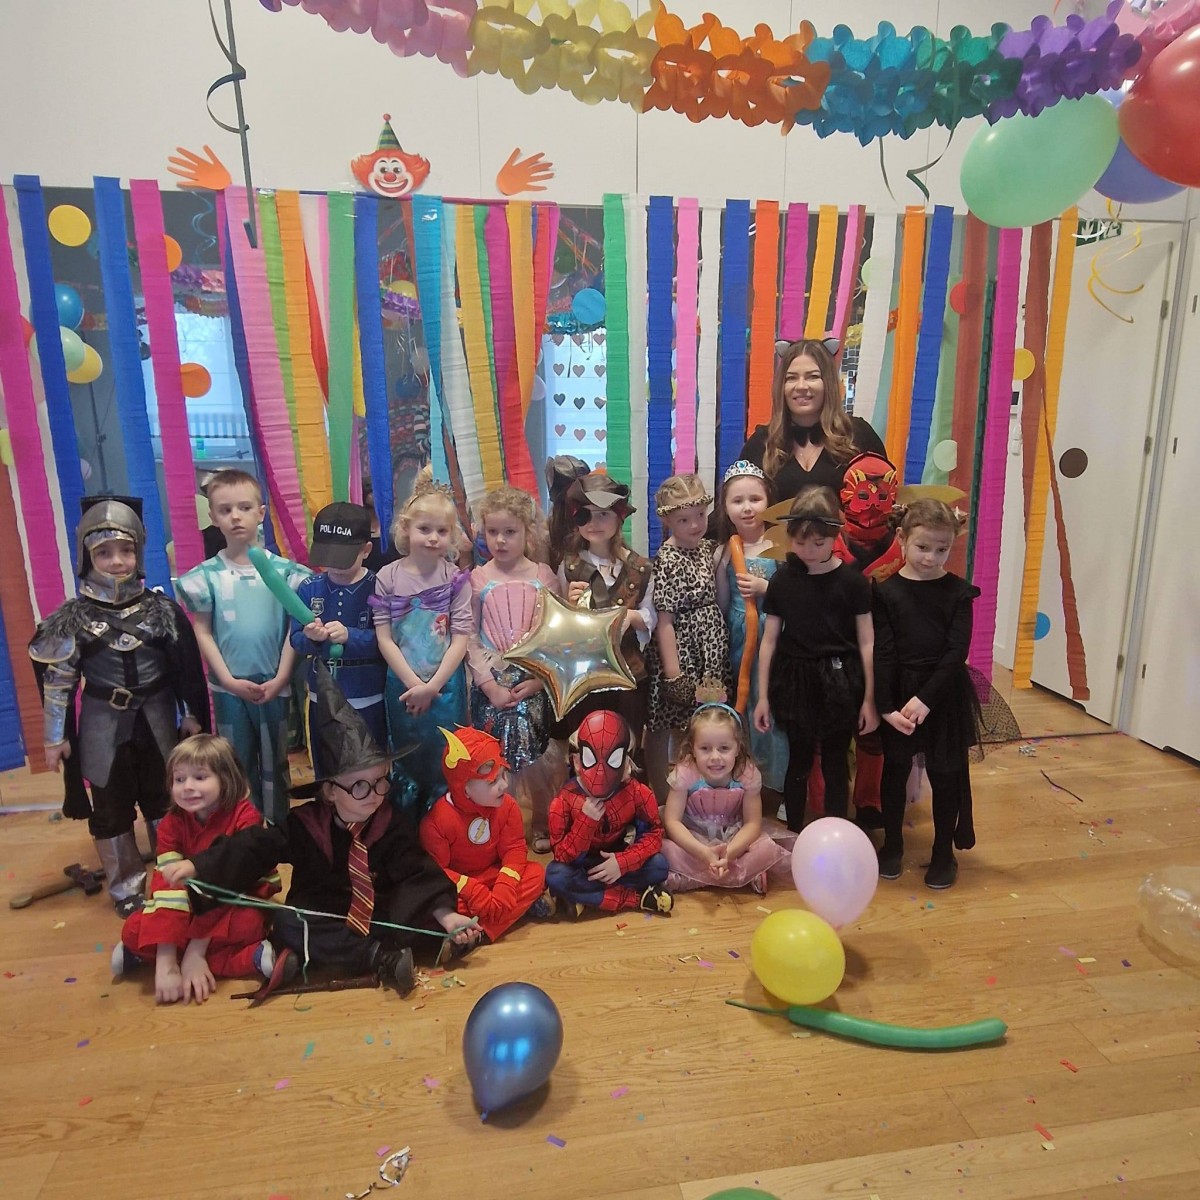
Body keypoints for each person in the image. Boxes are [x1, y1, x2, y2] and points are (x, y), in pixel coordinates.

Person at [162, 663, 479, 997]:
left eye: (380, 781)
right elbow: (256, 846)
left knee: (416, 914)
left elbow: (416, 873)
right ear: (329, 791)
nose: (374, 795)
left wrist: (445, 915)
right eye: (359, 786)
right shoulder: (304, 824)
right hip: (323, 915)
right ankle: (378, 957)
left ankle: (432, 940)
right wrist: (200, 866)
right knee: (289, 923)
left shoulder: (391, 821)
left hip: (378, 910)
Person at [29, 496, 210, 916]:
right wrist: (55, 737)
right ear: (86, 557)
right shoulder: (72, 620)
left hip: (158, 720)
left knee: (165, 798)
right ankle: (127, 887)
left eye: (126, 550)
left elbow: (184, 670)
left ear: (139, 552)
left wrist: (192, 713)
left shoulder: (162, 611)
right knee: (110, 806)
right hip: (102, 724)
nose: (116, 561)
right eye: (104, 553)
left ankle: (171, 876)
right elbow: (58, 682)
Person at [872, 500, 1020, 889]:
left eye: (942, 550)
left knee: (946, 774)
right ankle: (892, 845)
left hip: (943, 695)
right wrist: (885, 706)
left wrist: (926, 699)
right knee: (895, 770)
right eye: (923, 547)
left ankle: (942, 853)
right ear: (902, 538)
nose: (931, 557)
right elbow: (883, 651)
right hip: (899, 695)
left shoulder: (958, 592)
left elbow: (956, 652)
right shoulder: (886, 592)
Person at [176, 469, 311, 826]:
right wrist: (228, 680)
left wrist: (281, 678)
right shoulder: (205, 577)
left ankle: (278, 828)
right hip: (230, 688)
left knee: (276, 760)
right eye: (225, 510)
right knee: (235, 762)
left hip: (274, 683)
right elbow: (203, 631)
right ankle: (243, 828)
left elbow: (294, 629)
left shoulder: (288, 574)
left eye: (244, 507)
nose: (235, 516)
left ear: (261, 512)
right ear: (213, 516)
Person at [114, 734, 281, 1003]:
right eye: (179, 779)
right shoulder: (171, 824)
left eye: (200, 777)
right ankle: (241, 958)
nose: (187, 787)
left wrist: (196, 948)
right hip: (187, 904)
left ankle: (243, 958)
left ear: (226, 779)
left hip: (234, 900)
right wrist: (166, 960)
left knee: (248, 924)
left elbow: (235, 885)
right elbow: (167, 888)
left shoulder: (246, 817)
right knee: (133, 927)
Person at [754, 487, 879, 832]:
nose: (809, 551)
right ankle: (795, 833)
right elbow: (769, 640)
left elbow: (867, 641)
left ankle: (838, 832)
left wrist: (869, 699)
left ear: (835, 536)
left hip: (840, 679)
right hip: (795, 679)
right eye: (800, 543)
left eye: (819, 543)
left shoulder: (853, 583)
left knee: (836, 762)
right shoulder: (782, 581)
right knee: (799, 761)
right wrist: (762, 696)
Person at [466, 485, 565, 852]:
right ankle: (498, 825)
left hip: (533, 677)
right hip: (491, 679)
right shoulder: (478, 579)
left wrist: (540, 679)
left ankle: (540, 820)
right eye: (493, 532)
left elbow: (555, 633)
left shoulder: (544, 576)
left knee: (538, 754)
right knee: (494, 755)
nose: (500, 540)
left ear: (528, 532)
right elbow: (469, 635)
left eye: (510, 532)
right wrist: (487, 684)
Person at [371, 474, 471, 813]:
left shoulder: (455, 579)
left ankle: (445, 822)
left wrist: (432, 687)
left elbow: (460, 638)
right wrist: (415, 685)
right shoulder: (387, 577)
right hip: (403, 684)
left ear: (452, 536)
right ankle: (407, 825)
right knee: (407, 754)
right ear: (406, 528)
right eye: (424, 529)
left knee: (445, 753)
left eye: (442, 531)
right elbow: (385, 638)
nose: (432, 538)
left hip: (445, 686)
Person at [419, 726, 555, 943]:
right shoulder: (436, 822)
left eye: (503, 775)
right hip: (464, 888)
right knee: (443, 906)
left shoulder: (507, 806)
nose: (505, 785)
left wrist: (506, 884)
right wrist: (472, 890)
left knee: (536, 874)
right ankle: (511, 912)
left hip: (494, 876)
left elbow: (514, 848)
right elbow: (438, 872)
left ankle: (478, 933)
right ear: (463, 788)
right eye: (493, 782)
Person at [552, 471, 655, 741]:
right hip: (583, 676)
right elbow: (559, 627)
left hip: (628, 672)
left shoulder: (640, 568)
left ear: (619, 517)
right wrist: (570, 605)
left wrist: (631, 616)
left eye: (603, 514)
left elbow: (651, 615)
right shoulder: (569, 566)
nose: (594, 523)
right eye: (586, 515)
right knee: (584, 741)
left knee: (626, 741)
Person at [645, 474, 728, 796]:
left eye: (700, 516)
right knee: (667, 721)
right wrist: (673, 673)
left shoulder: (709, 549)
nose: (695, 525)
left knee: (698, 721)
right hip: (680, 652)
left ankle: (694, 787)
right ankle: (662, 793)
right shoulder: (667, 559)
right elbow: (664, 621)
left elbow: (719, 597)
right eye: (683, 519)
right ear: (667, 521)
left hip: (709, 651)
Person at [290, 502, 387, 775]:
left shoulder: (380, 587)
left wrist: (350, 636)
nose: (334, 565)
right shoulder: (309, 588)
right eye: (328, 555)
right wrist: (312, 638)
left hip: (368, 695)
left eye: (343, 557)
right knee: (327, 768)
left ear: (366, 550)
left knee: (370, 764)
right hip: (322, 696)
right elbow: (295, 639)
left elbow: (389, 641)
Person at [546, 710, 672, 916]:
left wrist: (622, 863)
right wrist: (586, 822)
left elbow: (654, 834)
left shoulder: (637, 792)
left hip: (618, 857)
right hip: (582, 865)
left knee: (659, 866)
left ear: (626, 764)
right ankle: (634, 898)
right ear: (577, 762)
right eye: (591, 759)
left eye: (614, 760)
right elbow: (561, 855)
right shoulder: (564, 800)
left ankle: (585, 897)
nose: (601, 772)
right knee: (555, 875)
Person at [714, 459, 787, 796]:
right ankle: (744, 777)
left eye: (755, 499)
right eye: (737, 501)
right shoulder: (725, 552)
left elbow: (794, 595)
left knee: (770, 703)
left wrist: (766, 589)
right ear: (725, 507)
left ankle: (779, 781)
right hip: (738, 638)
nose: (747, 508)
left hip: (774, 636)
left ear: (768, 500)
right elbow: (723, 601)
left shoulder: (780, 547)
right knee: (741, 703)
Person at [740, 339, 886, 502]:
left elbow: (887, 500)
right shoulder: (761, 443)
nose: (801, 386)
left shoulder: (858, 435)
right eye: (791, 378)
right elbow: (734, 506)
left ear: (828, 382)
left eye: (812, 377)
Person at [662, 704, 788, 894]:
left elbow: (752, 824)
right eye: (705, 748)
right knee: (663, 849)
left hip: (734, 838)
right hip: (694, 838)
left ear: (737, 748)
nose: (715, 756)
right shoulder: (686, 773)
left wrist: (729, 853)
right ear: (693, 749)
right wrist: (703, 853)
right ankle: (739, 875)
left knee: (766, 849)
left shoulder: (747, 774)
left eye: (724, 748)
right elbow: (672, 822)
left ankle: (692, 878)